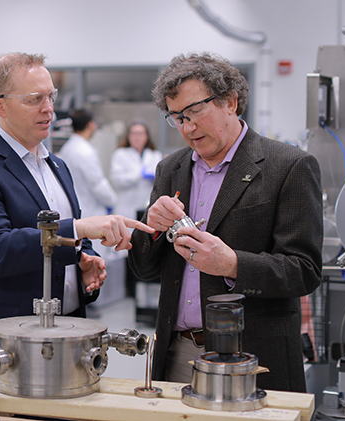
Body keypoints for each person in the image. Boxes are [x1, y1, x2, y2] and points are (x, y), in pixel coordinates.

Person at [129, 52, 322, 393]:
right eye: (177, 118)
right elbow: (144, 269)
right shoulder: (171, 169)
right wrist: (152, 226)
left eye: (194, 112)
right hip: (178, 353)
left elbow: (303, 270)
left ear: (230, 102)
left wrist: (232, 264)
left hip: (253, 354)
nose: (188, 127)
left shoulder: (288, 166)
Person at [0, 52, 154, 348]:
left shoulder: (57, 166)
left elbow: (66, 242)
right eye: (34, 99)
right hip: (7, 338)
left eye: (51, 97)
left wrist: (84, 260)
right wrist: (79, 230)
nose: (49, 110)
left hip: (66, 331)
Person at [58, 109, 117, 219]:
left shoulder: (67, 148)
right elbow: (97, 184)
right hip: (89, 211)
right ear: (91, 124)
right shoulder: (85, 151)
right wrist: (112, 201)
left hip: (74, 210)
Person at [109, 120, 164, 221]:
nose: (137, 137)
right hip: (126, 207)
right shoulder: (120, 154)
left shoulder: (155, 155)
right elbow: (116, 180)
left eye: (140, 134)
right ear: (128, 136)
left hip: (147, 205)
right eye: (134, 133)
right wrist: (138, 175)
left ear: (146, 136)